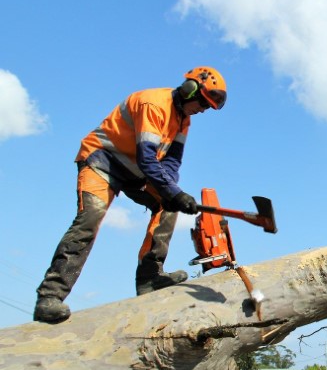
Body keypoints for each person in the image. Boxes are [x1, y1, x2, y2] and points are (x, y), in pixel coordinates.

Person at [33, 67, 227, 324]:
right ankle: (50, 296)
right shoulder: (153, 104)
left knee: (168, 204)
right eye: (203, 102)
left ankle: (150, 277)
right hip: (102, 162)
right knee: (89, 221)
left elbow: (170, 164)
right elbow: (148, 160)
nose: (203, 109)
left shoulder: (184, 120)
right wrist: (174, 192)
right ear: (189, 89)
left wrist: (173, 193)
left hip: (136, 173)